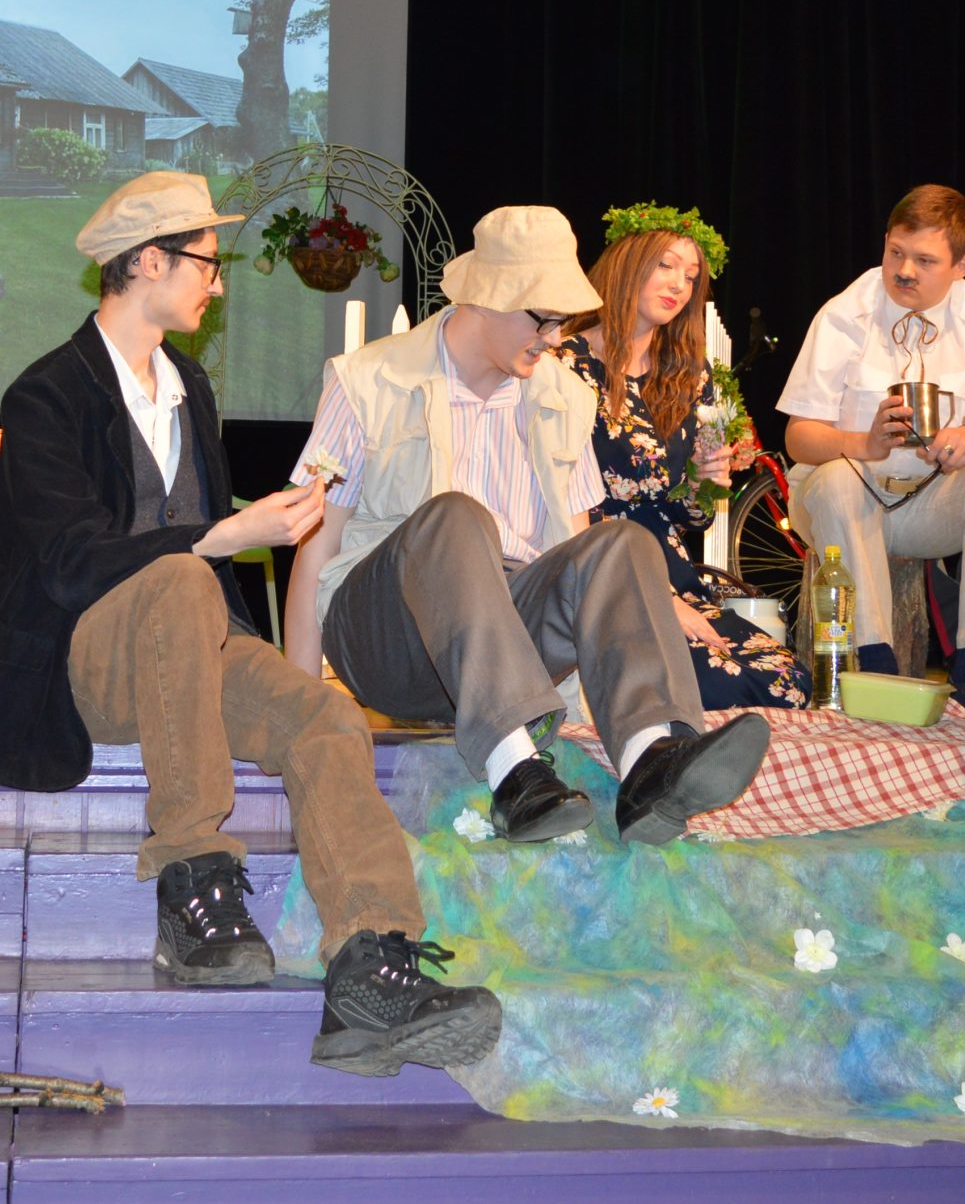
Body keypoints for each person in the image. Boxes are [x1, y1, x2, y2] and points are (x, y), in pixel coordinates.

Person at [0, 171, 503, 1075]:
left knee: (323, 713)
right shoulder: (46, 394)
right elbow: (68, 564)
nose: (217, 285)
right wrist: (223, 537)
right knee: (182, 576)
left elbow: (205, 564)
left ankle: (369, 968)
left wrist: (259, 547)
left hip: (194, 647)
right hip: (81, 661)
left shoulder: (191, 388)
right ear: (148, 262)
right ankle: (192, 879)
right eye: (207, 264)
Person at [283, 205, 772, 847]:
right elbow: (314, 547)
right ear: (487, 297)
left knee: (619, 543)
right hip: (390, 635)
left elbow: (576, 556)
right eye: (543, 318)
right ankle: (514, 769)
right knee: (456, 516)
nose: (555, 337)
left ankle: (650, 763)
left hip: (505, 633)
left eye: (563, 320)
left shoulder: (564, 395)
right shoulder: (369, 379)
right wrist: (301, 713)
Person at [774, 185, 965, 711]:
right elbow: (798, 437)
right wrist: (864, 442)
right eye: (895, 252)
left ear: (961, 266)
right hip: (842, 504)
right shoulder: (842, 315)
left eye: (924, 260)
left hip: (928, 506)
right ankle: (875, 666)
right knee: (836, 477)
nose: (904, 271)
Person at [552, 205, 805, 708]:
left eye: (691, 276)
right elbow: (557, 499)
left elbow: (690, 516)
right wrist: (656, 601)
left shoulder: (689, 375)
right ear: (626, 264)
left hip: (671, 572)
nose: (679, 285)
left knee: (785, 677)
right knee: (714, 683)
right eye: (665, 265)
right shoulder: (565, 363)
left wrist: (705, 482)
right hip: (599, 574)